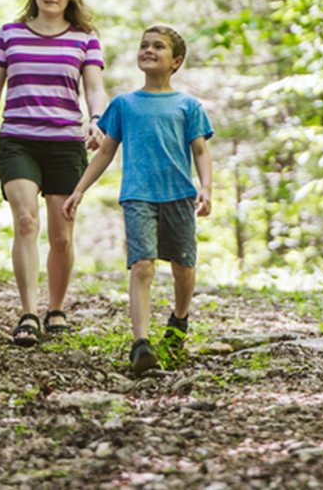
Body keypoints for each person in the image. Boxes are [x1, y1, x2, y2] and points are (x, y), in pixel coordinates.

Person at [0, 0, 108, 347]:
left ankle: (55, 308)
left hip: (65, 144)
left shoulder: (85, 38)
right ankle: (28, 313)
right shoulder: (9, 34)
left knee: (62, 236)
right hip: (18, 141)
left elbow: (94, 87)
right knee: (26, 221)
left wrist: (98, 119)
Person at [62, 25, 213, 374]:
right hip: (138, 195)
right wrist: (79, 189)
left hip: (179, 195)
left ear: (175, 61)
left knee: (184, 266)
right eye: (144, 45)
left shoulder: (187, 105)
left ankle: (179, 320)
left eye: (158, 47)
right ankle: (141, 343)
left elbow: (201, 151)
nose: (148, 50)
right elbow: (104, 153)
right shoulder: (125, 105)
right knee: (142, 265)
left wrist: (206, 187)